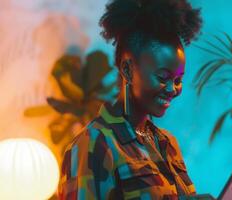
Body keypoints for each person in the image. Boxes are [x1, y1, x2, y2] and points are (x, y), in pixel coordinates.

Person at [58, 0, 202, 199]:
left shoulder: (167, 143)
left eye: (178, 80)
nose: (172, 89)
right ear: (127, 69)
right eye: (163, 77)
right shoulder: (93, 144)